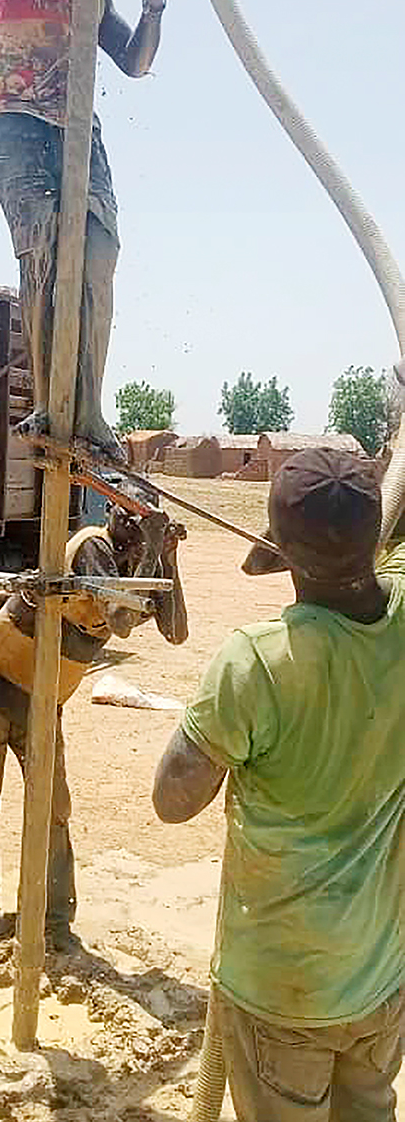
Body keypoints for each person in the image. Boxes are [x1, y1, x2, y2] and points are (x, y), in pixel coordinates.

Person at [152, 447, 405, 1121]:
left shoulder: (255, 662)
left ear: (281, 548)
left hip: (279, 991)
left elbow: (172, 800)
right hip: (379, 982)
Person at [0, 0, 169, 464]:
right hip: (17, 123)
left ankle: (88, 411)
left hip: (79, 131)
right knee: (48, 251)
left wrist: (154, 4)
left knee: (98, 254)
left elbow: (134, 62)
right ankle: (49, 403)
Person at [0, 504, 187, 946]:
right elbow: (121, 621)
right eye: (131, 520)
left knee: (53, 810)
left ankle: (53, 918)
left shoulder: (143, 564)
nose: (135, 528)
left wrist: (169, 559)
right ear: (115, 518)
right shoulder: (93, 548)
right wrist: (153, 551)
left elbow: (176, 631)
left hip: (44, 699)